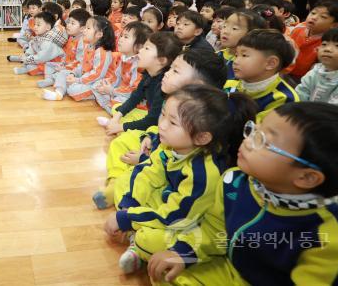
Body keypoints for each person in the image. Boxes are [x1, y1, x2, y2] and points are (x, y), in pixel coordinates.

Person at [149, 102, 338, 286]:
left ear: (307, 177)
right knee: (165, 273)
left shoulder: (331, 240)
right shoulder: (234, 181)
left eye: (263, 141)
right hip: (230, 269)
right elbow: (214, 229)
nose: (247, 142)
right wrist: (183, 253)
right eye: (254, 130)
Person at [104, 85, 257, 274]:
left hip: (189, 221)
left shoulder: (204, 174)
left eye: (173, 123)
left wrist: (128, 217)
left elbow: (176, 217)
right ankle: (135, 232)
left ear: (201, 138)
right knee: (125, 184)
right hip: (174, 203)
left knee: (148, 239)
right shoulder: (170, 146)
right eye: (163, 115)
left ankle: (138, 245)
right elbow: (148, 172)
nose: (161, 125)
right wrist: (130, 204)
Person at [94, 48, 228, 210]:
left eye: (175, 71)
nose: (167, 73)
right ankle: (114, 183)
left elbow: (170, 155)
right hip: (160, 146)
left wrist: (144, 158)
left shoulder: (201, 121)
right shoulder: (171, 97)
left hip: (167, 168)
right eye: (170, 68)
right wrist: (149, 137)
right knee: (120, 143)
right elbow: (159, 126)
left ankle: (119, 190)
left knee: (140, 181)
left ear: (197, 86)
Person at [103, 32, 183, 135]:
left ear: (161, 60)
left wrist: (120, 127)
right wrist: (117, 117)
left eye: (146, 48)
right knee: (117, 109)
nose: (140, 51)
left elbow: (152, 121)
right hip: (150, 117)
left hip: (160, 127)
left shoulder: (164, 84)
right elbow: (135, 97)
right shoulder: (148, 74)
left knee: (123, 140)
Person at [226, 29, 298, 122]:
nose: (235, 61)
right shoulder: (232, 82)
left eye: (244, 55)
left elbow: (258, 132)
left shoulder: (284, 99)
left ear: (270, 63)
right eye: (236, 55)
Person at [42, 16, 116, 101]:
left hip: (96, 81)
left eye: (88, 28)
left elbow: (97, 75)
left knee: (73, 90)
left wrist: (78, 80)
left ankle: (96, 94)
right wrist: (73, 74)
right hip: (84, 76)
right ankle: (59, 93)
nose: (84, 30)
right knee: (63, 73)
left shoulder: (103, 52)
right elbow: (82, 65)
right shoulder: (89, 46)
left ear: (99, 34)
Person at [93, 21, 151, 112]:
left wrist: (112, 91)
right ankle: (110, 106)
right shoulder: (124, 57)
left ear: (139, 46)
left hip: (134, 99)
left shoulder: (139, 65)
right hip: (120, 91)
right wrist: (107, 84)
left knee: (118, 102)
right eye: (121, 35)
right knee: (97, 85)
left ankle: (112, 107)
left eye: (126, 37)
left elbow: (134, 91)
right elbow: (117, 77)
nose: (120, 39)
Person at [289, 0, 338, 79]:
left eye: (323, 17)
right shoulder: (298, 29)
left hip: (305, 79)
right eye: (313, 13)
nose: (314, 17)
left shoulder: (327, 44)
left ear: (335, 25)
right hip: (285, 71)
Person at [296, 25, 338, 109]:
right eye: (324, 44)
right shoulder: (316, 71)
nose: (327, 49)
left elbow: (336, 112)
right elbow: (299, 95)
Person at [38, 8, 90, 88]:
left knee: (62, 73)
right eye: (68, 22)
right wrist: (63, 63)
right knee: (48, 64)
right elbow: (66, 53)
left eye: (72, 23)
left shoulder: (82, 42)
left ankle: (55, 81)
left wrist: (65, 67)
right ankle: (49, 79)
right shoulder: (71, 37)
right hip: (66, 64)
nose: (68, 25)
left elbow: (80, 62)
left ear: (82, 28)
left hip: (74, 69)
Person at [218, 9, 267, 80]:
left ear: (251, 34)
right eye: (225, 26)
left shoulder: (253, 64)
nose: (225, 31)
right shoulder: (216, 55)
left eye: (234, 28)